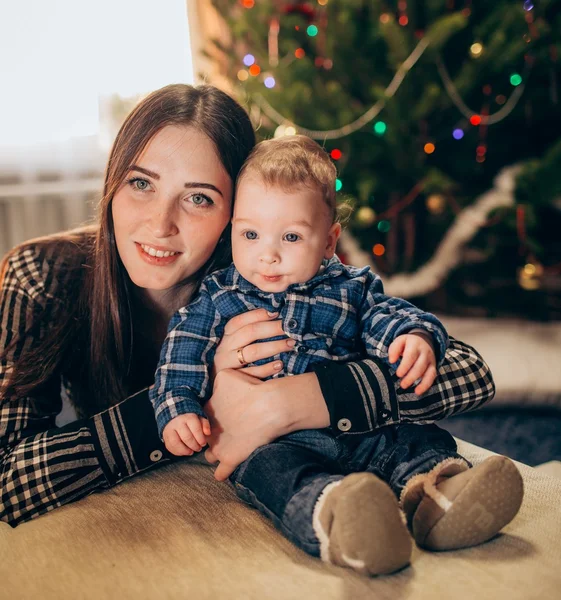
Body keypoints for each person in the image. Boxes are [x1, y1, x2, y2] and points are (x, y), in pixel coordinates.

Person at [0, 84, 497, 531]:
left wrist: (288, 402)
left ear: (237, 212)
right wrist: (209, 407)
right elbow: (6, 476)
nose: (160, 224)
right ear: (112, 183)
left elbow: (469, 374)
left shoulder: (260, 280)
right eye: (141, 183)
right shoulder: (42, 274)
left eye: (198, 198)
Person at [151, 135, 523, 577]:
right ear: (233, 230)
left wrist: (414, 337)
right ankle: (342, 518)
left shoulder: (352, 287)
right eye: (250, 233)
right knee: (271, 473)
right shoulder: (217, 297)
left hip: (362, 427)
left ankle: (441, 495)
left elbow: (388, 316)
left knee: (412, 440)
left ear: (329, 242)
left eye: (291, 236)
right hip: (275, 443)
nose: (266, 254)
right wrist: (179, 411)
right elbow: (180, 358)